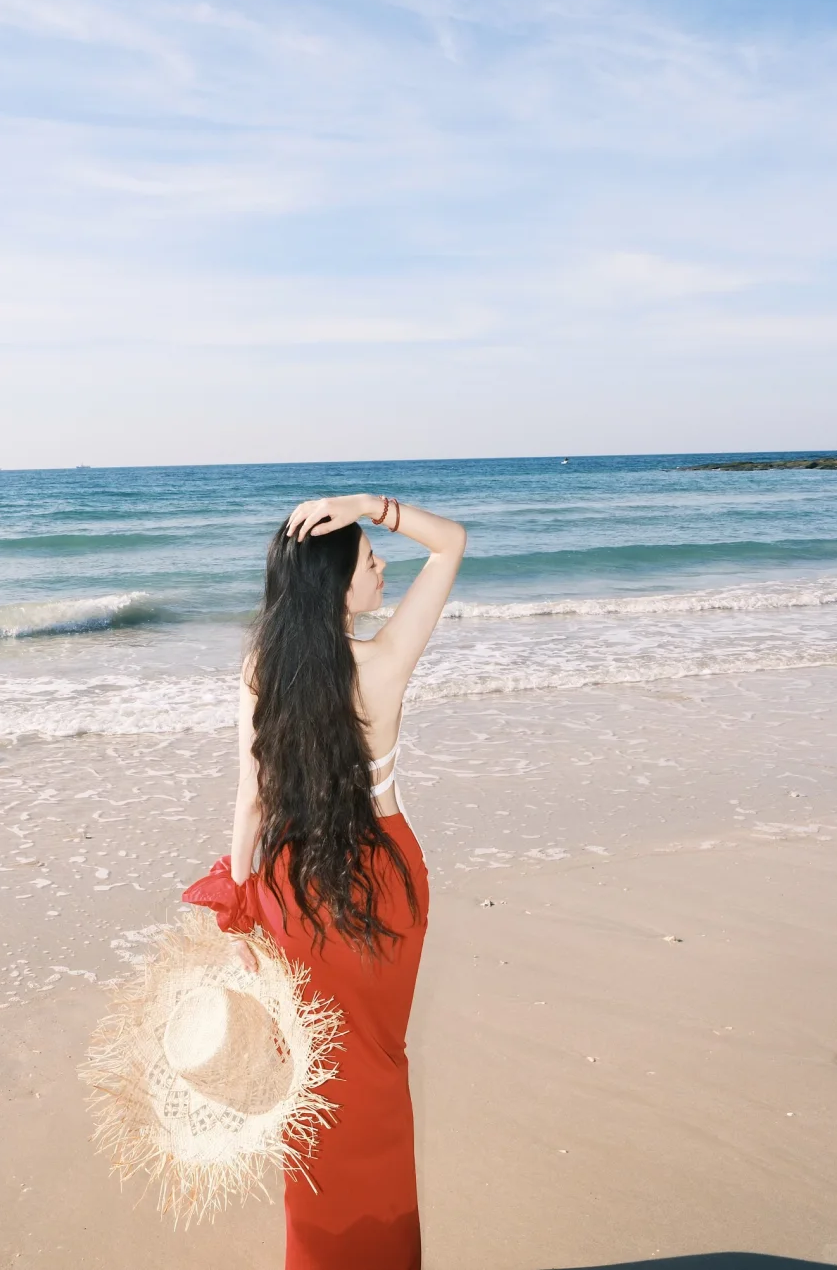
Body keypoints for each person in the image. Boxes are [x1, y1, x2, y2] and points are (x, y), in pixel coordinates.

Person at [225, 492, 465, 1270]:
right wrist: (369, 504)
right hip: (383, 883)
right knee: (378, 1070)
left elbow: (251, 800)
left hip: (295, 888)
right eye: (368, 559)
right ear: (338, 585)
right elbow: (450, 543)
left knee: (314, 1081)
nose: (380, 565)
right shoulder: (385, 659)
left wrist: (241, 913)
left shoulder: (264, 669)